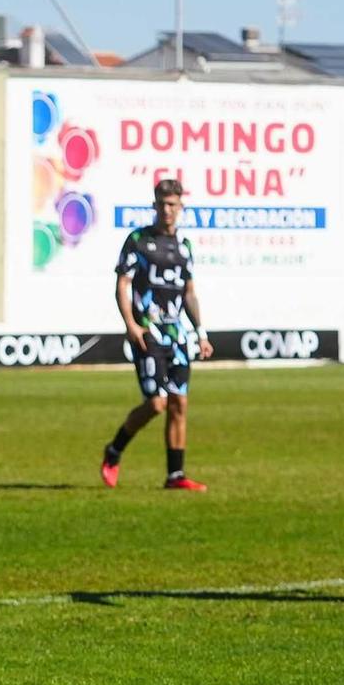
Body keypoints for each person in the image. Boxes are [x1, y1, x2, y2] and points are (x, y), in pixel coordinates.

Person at [102, 178, 212, 492]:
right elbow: (122, 285)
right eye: (162, 204)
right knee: (156, 403)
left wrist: (200, 333)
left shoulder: (184, 246)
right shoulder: (138, 240)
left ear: (181, 207)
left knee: (180, 403)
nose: (167, 210)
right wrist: (131, 324)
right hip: (148, 334)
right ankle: (114, 450)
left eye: (173, 204)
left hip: (177, 337)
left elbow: (189, 292)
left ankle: (175, 475)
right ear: (154, 206)